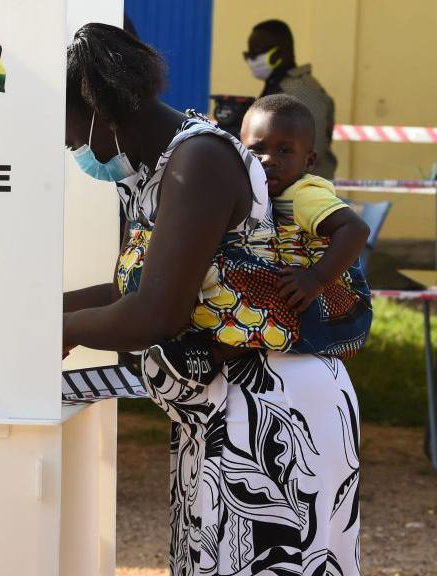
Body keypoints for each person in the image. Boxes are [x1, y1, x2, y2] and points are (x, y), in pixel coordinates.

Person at [63, 24, 369, 575]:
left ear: (96, 105)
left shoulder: (197, 161)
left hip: (275, 417)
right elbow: (146, 286)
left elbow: (157, 312)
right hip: (226, 406)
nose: (70, 147)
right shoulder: (158, 169)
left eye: (67, 131)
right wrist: (41, 312)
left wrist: (54, 331)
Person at [148, 94, 371, 385]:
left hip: (337, 308)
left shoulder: (304, 194)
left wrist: (315, 278)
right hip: (307, 302)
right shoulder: (260, 194)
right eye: (257, 150)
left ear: (309, 160)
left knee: (241, 278)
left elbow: (355, 229)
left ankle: (209, 357)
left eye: (285, 151)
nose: (269, 160)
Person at [245, 19, 338, 179]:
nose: (252, 60)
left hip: (304, 189)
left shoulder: (300, 92)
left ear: (281, 52)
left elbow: (315, 147)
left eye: (258, 52)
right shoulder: (278, 85)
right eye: (249, 54)